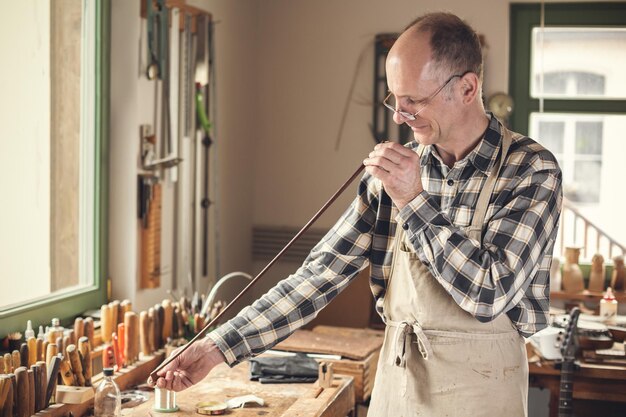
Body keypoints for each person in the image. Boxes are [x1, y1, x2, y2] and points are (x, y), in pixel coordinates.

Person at [151, 12, 562, 416]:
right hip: (398, 388)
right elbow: (316, 278)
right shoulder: (393, 177)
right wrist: (219, 347)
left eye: (414, 101)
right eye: (394, 99)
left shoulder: (530, 170)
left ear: (468, 88)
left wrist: (414, 201)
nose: (400, 116)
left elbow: (490, 293)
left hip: (483, 396)